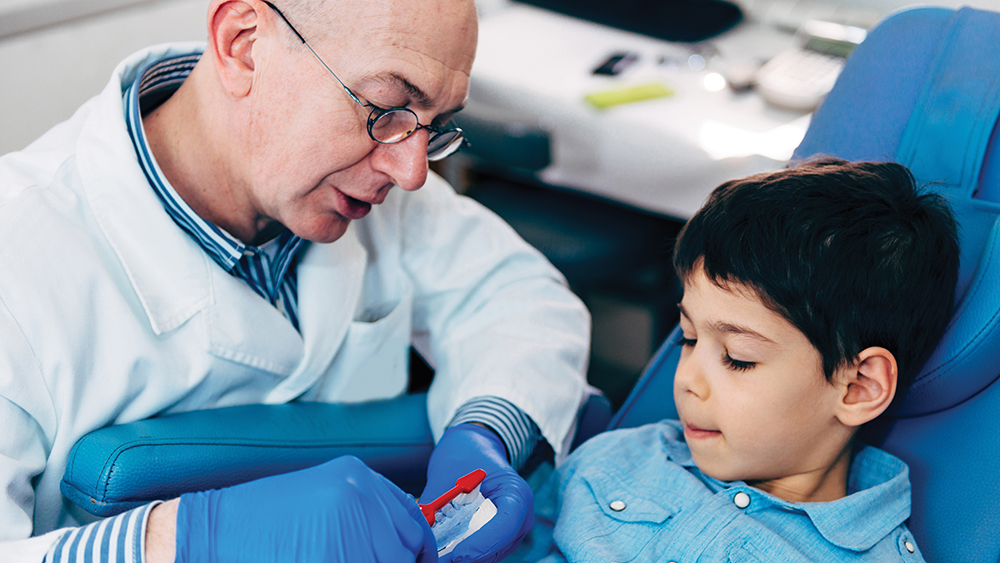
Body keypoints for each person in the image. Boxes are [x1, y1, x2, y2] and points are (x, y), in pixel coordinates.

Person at [0, 0, 592, 561]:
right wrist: (180, 542)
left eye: (435, 127)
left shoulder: (370, 187)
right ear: (244, 46)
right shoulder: (20, 268)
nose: (412, 174)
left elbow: (519, 299)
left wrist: (489, 428)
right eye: (384, 109)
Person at [509, 158, 959, 562]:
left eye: (738, 359)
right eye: (687, 338)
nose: (687, 380)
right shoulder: (619, 460)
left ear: (858, 386)